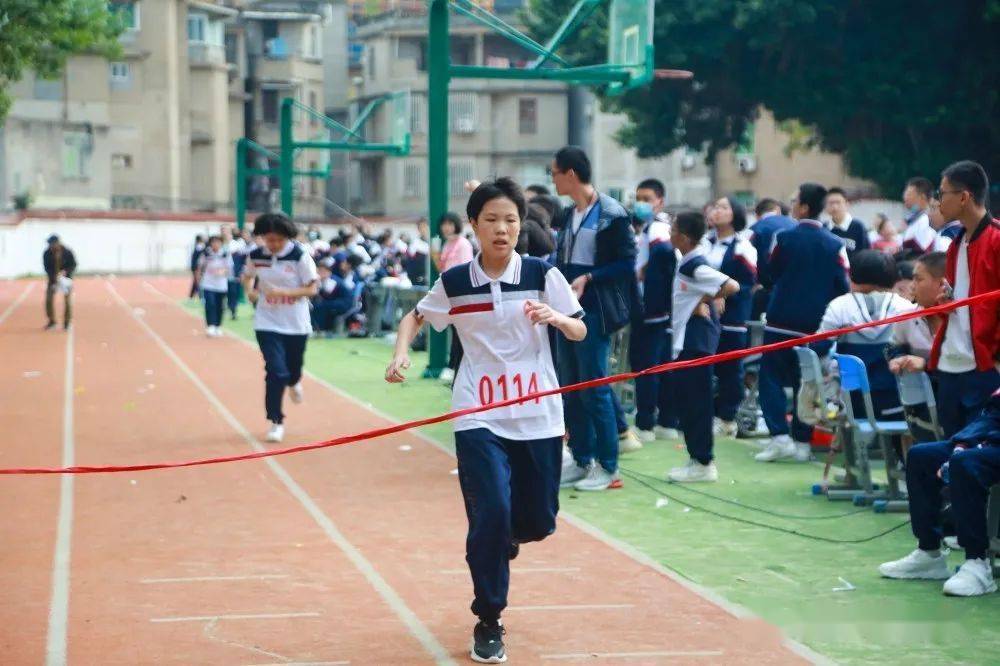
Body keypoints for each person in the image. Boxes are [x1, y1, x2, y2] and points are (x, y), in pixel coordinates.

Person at [385, 177, 585, 663]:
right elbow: (415, 317)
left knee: (539, 521)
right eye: (491, 220)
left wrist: (557, 320)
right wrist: (400, 355)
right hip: (478, 413)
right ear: (474, 225)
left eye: (511, 220)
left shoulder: (542, 273)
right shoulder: (455, 282)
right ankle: (489, 618)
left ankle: (506, 537)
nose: (502, 229)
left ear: (522, 225)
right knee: (490, 511)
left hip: (537, 414)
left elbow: (579, 328)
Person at [549, 146, 637, 491]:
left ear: (570, 174)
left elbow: (627, 263)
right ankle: (581, 458)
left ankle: (608, 466)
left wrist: (590, 278)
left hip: (595, 309)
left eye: (554, 172)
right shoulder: (569, 214)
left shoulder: (612, 214)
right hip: (564, 306)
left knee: (593, 387)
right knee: (570, 386)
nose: (552, 179)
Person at [756, 183, 850, 463]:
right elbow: (842, 285)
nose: (792, 205)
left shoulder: (783, 238)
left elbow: (769, 274)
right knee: (806, 382)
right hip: (815, 325)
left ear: (804, 207)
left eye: (795, 201)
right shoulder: (836, 244)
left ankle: (779, 437)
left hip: (780, 320)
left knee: (770, 377)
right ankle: (802, 442)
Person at [878, 387, 1000, 597]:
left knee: (965, 462)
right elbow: (991, 418)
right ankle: (929, 554)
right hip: (991, 441)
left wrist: (978, 446)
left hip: (993, 444)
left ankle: (977, 564)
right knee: (921, 456)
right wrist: (964, 443)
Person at [926, 160, 1000, 437]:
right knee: (947, 454)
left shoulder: (996, 240)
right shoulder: (956, 243)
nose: (937, 202)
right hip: (949, 365)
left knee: (971, 457)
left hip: (982, 367)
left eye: (942, 194)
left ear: (964, 197)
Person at [666, 211, 739, 482]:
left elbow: (731, 286)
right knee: (688, 403)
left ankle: (703, 463)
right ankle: (696, 459)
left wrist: (707, 295)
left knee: (697, 404)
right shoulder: (687, 261)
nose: (670, 234)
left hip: (695, 342)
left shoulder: (693, 264)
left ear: (684, 238)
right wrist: (702, 296)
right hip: (689, 341)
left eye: (673, 230)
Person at [241, 213, 319, 443]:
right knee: (275, 371)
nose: (273, 245)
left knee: (292, 371)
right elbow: (247, 277)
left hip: (296, 324)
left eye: (278, 240)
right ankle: (276, 420)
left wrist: (285, 293)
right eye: (269, 239)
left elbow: (312, 289)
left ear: (287, 238)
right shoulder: (256, 256)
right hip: (267, 321)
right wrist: (250, 291)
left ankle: (295, 382)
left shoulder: (299, 256)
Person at [813, 251, 913, 420]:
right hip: (898, 401)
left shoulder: (840, 306)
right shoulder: (906, 307)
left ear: (852, 276)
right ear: (892, 277)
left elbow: (817, 348)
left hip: (850, 402)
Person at [628, 179, 680, 444]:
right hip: (657, 309)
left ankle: (646, 422)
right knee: (661, 366)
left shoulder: (657, 227)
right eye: (638, 197)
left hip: (652, 308)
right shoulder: (649, 227)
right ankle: (666, 421)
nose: (641, 203)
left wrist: (646, 274)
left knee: (647, 368)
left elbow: (663, 253)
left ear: (660, 200)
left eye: (647, 198)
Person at [706, 196, 758, 437]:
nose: (717, 211)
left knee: (729, 369)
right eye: (715, 206)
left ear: (735, 214)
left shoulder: (743, 246)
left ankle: (727, 418)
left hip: (731, 317)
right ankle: (705, 414)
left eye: (723, 207)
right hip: (703, 314)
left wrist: (724, 295)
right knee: (703, 366)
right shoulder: (704, 243)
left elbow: (747, 284)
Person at [432, 212, 475, 385]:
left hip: (461, 295)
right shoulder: (447, 244)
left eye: (450, 223)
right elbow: (442, 268)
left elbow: (465, 270)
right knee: (456, 333)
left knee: (461, 334)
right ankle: (455, 369)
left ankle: (456, 369)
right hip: (450, 294)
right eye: (444, 224)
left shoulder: (463, 244)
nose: (446, 227)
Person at [890, 252, 947, 369]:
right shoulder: (905, 318)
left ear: (942, 284)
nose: (912, 286)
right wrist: (898, 358)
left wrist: (926, 364)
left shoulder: (964, 321)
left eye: (918, 279)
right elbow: (891, 348)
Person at [748, 197, 796, 320]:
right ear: (778, 209)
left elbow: (748, 261)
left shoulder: (755, 229)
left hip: (765, 291)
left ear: (757, 215)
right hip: (795, 291)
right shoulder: (796, 224)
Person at [196, 235, 234, 338]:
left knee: (220, 306)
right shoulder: (206, 253)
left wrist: (223, 271)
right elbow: (199, 267)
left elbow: (230, 268)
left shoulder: (225, 254)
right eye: (213, 242)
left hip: (221, 285)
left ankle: (218, 326)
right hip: (208, 284)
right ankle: (211, 325)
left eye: (218, 242)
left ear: (221, 243)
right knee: (210, 304)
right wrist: (198, 281)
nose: (215, 244)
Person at [42, 234, 76, 331]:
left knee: (67, 301)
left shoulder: (67, 252)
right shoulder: (47, 253)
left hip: (66, 280)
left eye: (52, 244)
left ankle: (67, 322)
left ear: (57, 243)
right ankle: (52, 321)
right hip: (53, 279)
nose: (50, 246)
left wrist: (66, 272)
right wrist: (54, 277)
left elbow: (73, 264)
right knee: (48, 299)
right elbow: (46, 267)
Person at [824, 187, 870, 257]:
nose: (835, 207)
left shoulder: (858, 227)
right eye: (831, 203)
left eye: (838, 202)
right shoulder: (824, 228)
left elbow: (866, 255)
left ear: (846, 204)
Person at [900, 177, 936, 255]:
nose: (905, 198)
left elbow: (922, 252)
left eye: (909, 194)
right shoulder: (914, 220)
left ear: (922, 197)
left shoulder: (926, 221)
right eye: (905, 194)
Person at [221, 225, 247, 320]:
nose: (225, 234)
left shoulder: (236, 244)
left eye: (227, 232)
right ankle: (222, 310)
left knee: (233, 293)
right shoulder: (219, 245)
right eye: (223, 231)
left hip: (233, 273)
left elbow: (242, 260)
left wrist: (240, 272)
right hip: (221, 275)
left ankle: (233, 311)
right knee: (222, 293)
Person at [189, 234, 206, 299]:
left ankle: (193, 296)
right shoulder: (200, 247)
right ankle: (199, 296)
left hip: (196, 267)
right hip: (197, 268)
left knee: (196, 282)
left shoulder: (197, 246)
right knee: (198, 282)